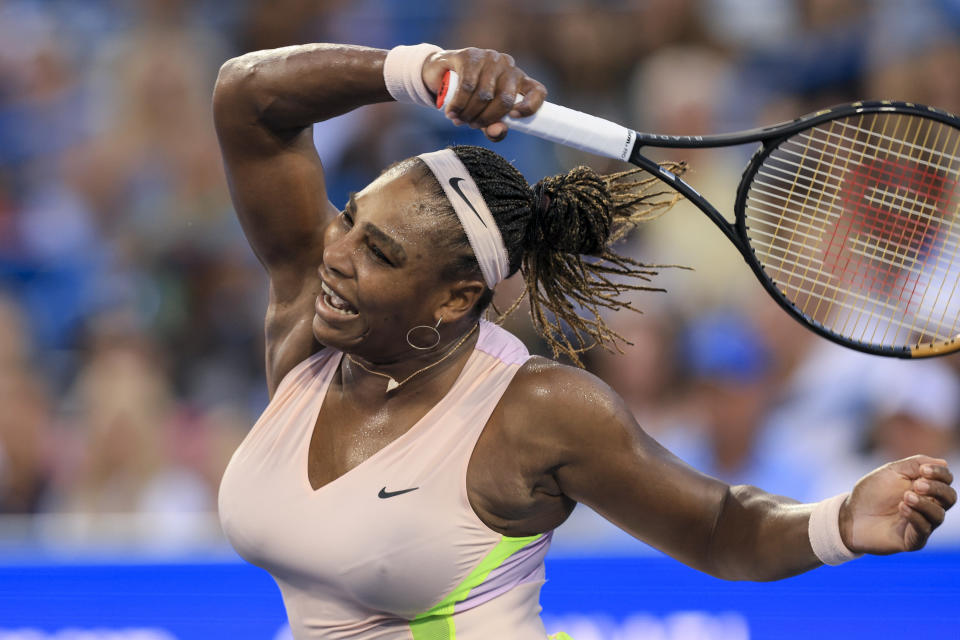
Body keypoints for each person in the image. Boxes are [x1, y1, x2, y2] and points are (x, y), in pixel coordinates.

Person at [213, 43, 956, 640]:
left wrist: (840, 521)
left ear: (457, 297)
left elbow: (720, 526)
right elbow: (246, 97)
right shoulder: (310, 312)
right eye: (348, 217)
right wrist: (416, 70)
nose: (336, 253)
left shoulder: (538, 409)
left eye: (380, 251)